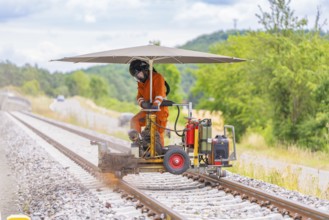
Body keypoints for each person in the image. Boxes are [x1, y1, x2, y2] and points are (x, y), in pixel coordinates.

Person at [129, 59, 169, 147]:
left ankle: (160, 153)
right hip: (148, 109)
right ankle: (138, 145)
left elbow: (160, 94)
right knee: (134, 120)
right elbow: (139, 96)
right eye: (136, 76)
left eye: (139, 74)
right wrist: (143, 103)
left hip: (160, 110)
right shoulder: (141, 82)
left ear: (145, 69)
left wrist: (155, 105)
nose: (138, 77)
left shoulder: (157, 77)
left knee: (157, 133)